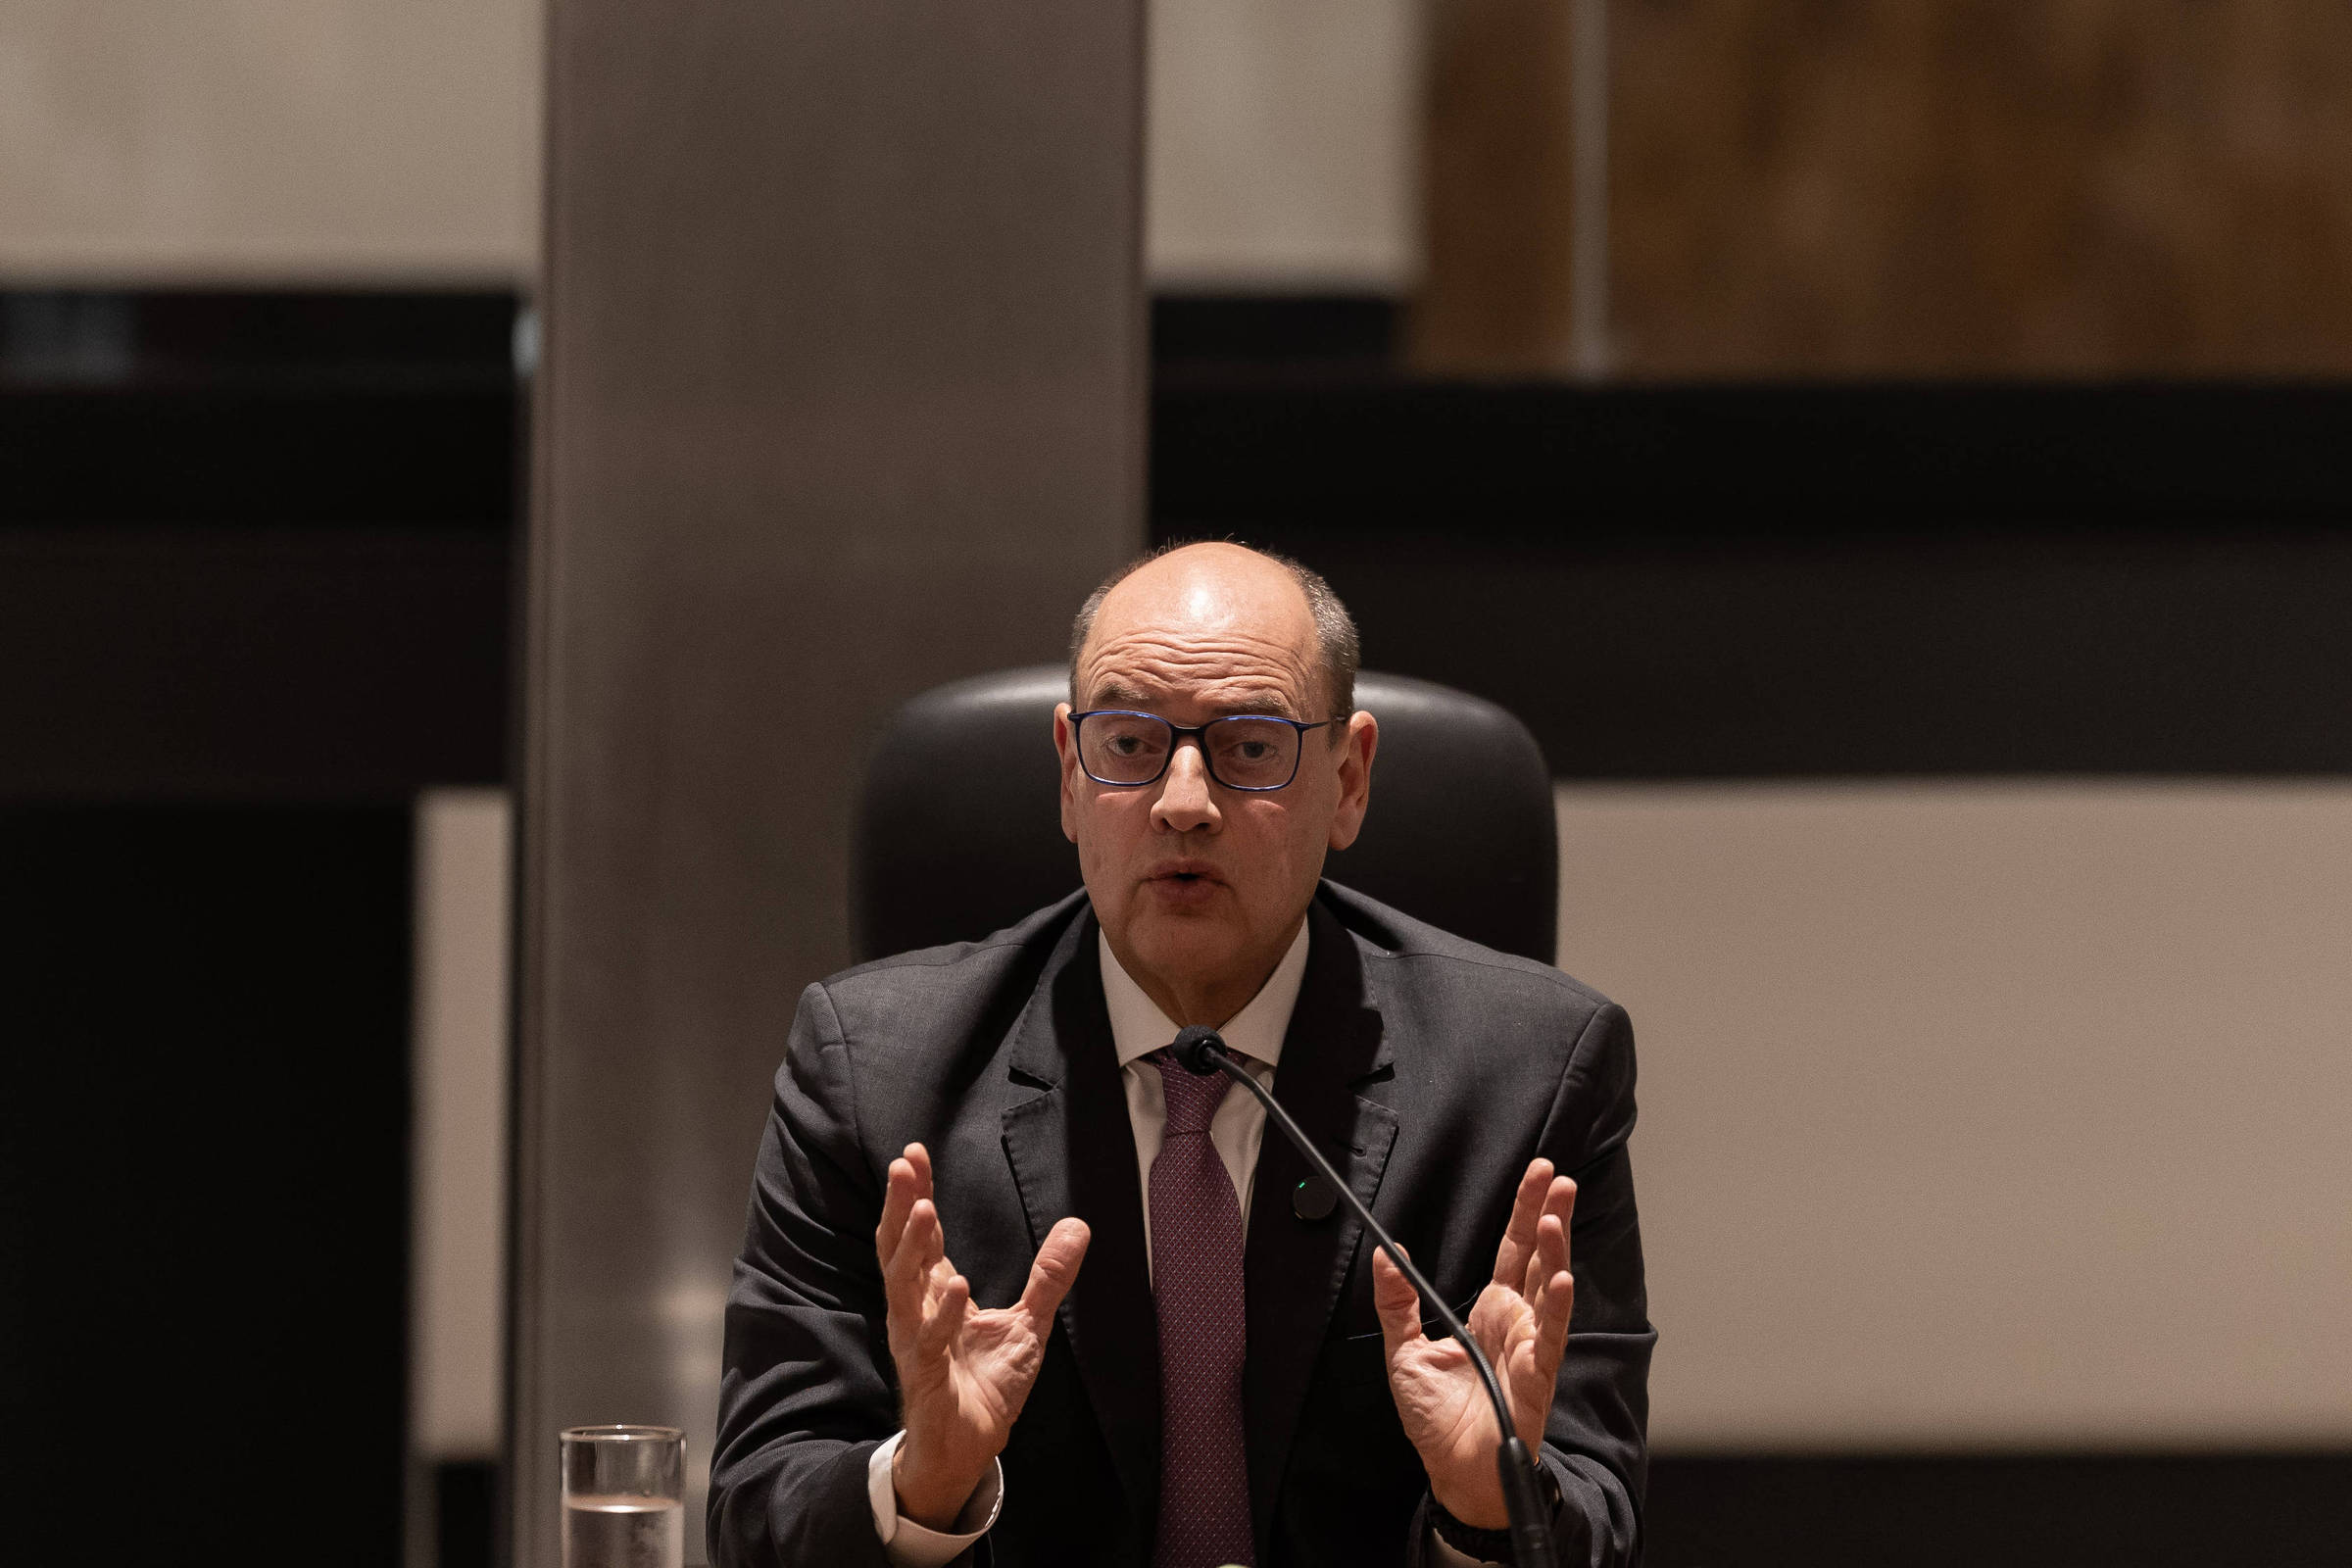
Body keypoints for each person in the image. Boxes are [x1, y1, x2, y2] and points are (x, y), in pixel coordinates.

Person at [710, 542, 1651, 1567]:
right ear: (1069, 775)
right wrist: (922, 1483)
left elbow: (1598, 1507)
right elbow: (758, 1505)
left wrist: (1490, 1505)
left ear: (1347, 780)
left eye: (1249, 746)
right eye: (1129, 743)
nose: (1183, 800)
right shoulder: (871, 1068)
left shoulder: (1535, 1073)